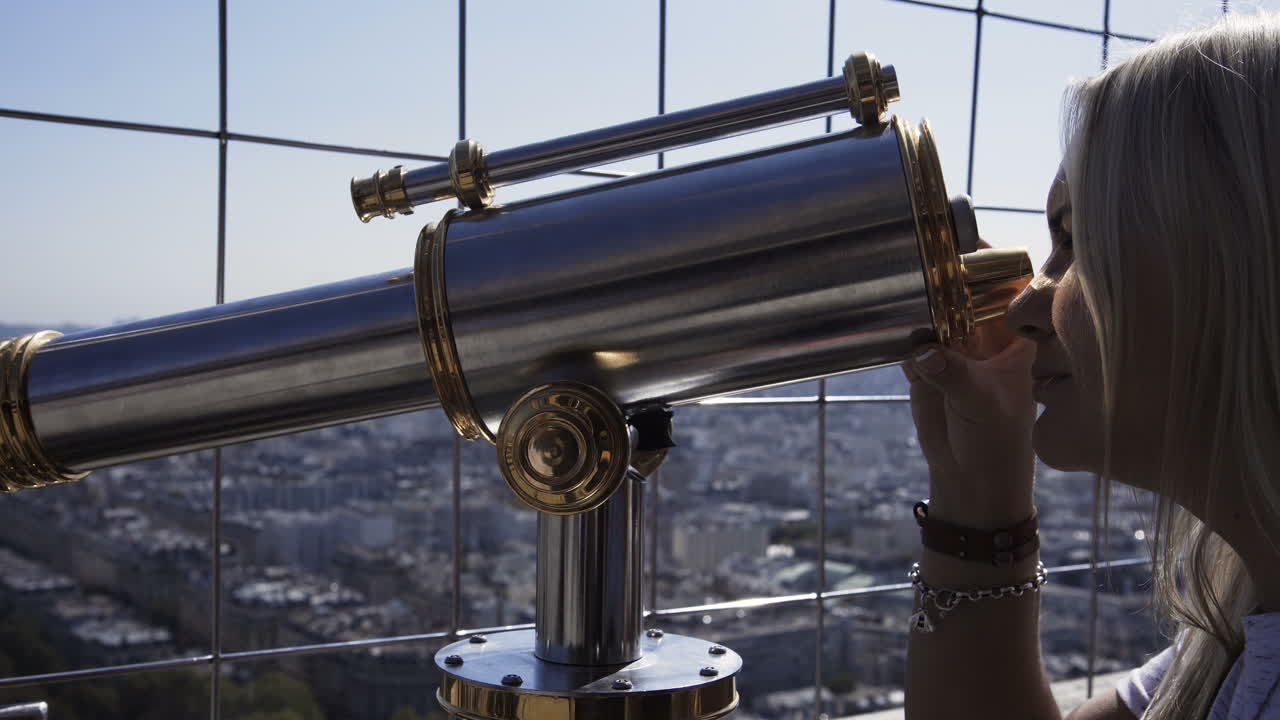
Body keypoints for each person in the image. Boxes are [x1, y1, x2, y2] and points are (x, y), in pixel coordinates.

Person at [900, 11, 1280, 720]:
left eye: (1077, 241)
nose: (1023, 310)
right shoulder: (1238, 632)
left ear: (1240, 261)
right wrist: (979, 479)